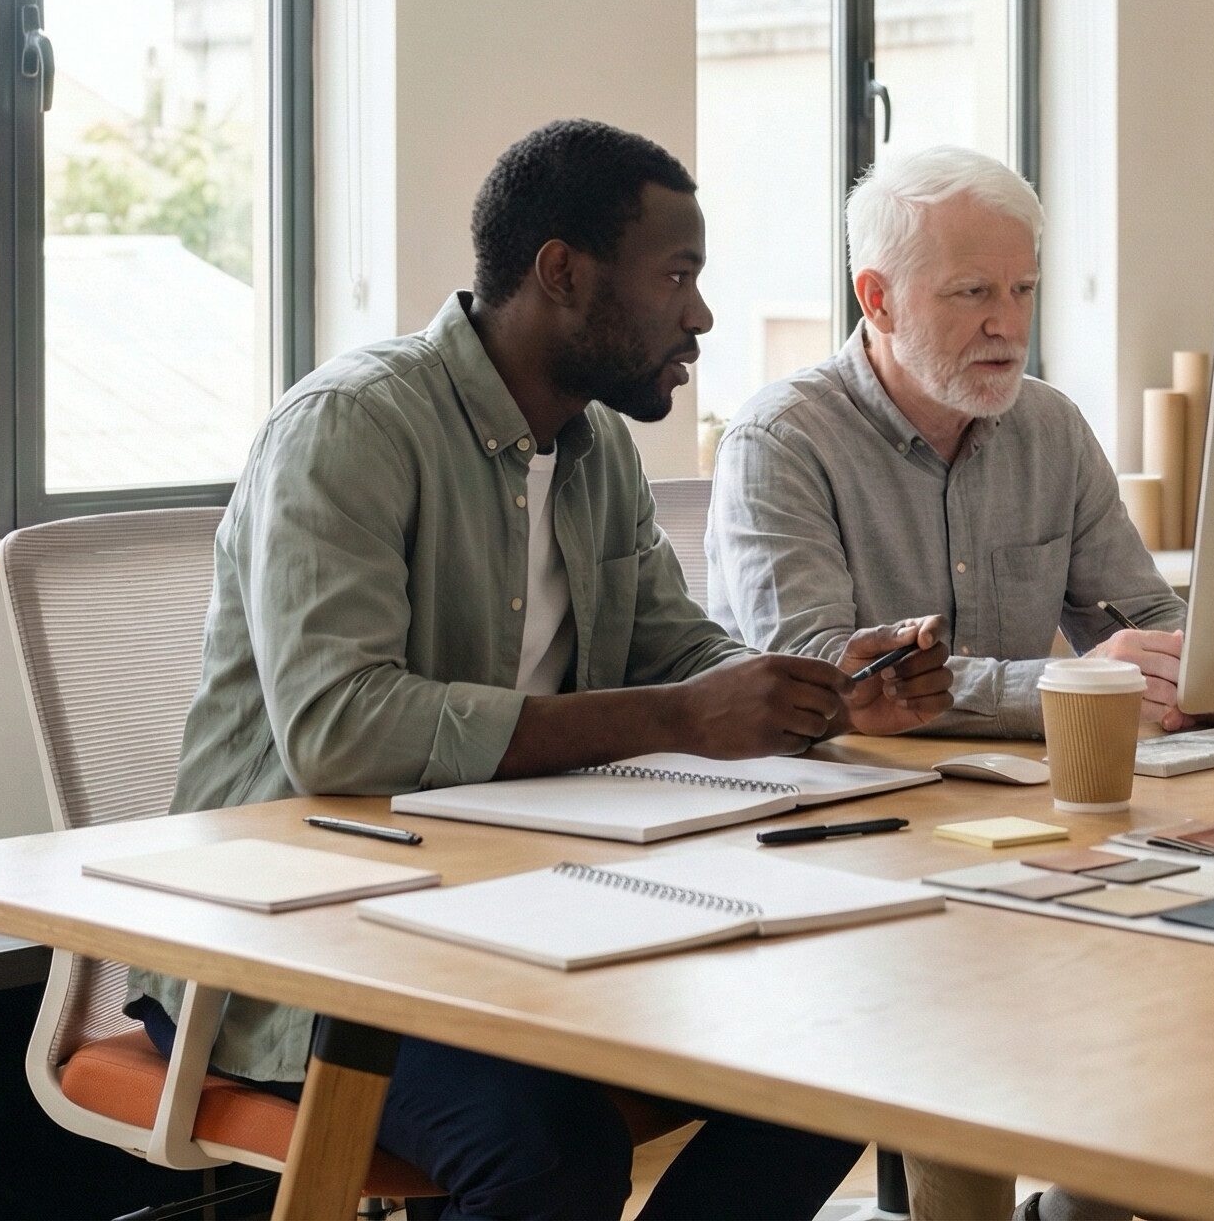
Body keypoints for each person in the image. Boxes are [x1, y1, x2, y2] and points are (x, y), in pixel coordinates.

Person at [130, 119, 952, 1221]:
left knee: (843, 1049)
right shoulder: (350, 428)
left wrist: (806, 687)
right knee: (547, 1153)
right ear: (561, 273)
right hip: (306, 955)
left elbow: (679, 650)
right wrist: (677, 715)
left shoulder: (596, 445)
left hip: (526, 918)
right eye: (677, 276)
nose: (700, 314)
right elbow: (339, 728)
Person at [706, 144, 1214, 1221]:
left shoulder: (1051, 427)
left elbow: (1140, 618)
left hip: (1038, 837)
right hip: (860, 855)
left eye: (1022, 289)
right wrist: (1073, 691)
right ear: (875, 298)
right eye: (972, 292)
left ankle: (1082, 1201)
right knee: (990, 1020)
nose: (1007, 324)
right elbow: (816, 676)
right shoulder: (782, 438)